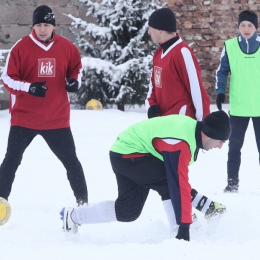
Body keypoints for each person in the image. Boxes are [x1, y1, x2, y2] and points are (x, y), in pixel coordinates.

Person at [60, 110, 231, 241]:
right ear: (211, 133)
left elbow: (179, 182)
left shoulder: (191, 132)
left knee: (128, 211)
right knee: (169, 184)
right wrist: (184, 227)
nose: (220, 146)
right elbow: (177, 184)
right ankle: (183, 232)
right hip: (129, 154)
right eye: (221, 141)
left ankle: (73, 216)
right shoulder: (180, 143)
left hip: (129, 153)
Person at [0, 5, 88, 205]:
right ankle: (0, 202)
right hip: (24, 118)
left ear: (53, 26)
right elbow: (7, 79)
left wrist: (75, 81)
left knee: (71, 162)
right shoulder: (21, 47)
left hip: (56, 119)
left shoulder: (67, 47)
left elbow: (77, 68)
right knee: (11, 161)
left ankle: (83, 204)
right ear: (33, 26)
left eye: (46, 25)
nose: (42, 29)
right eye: (38, 24)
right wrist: (28, 87)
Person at [146, 8, 219, 219]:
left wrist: (201, 125)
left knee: (169, 176)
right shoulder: (158, 53)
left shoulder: (182, 52)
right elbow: (153, 85)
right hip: (162, 126)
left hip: (181, 128)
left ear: (160, 29)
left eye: (151, 28)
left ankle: (186, 219)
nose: (149, 32)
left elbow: (197, 90)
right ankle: (205, 209)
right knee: (167, 176)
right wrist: (151, 105)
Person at [215, 10, 260, 193]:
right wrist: (220, 92)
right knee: (234, 148)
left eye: (250, 25)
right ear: (238, 27)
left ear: (255, 27)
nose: (246, 29)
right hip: (239, 107)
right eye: (243, 25)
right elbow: (222, 71)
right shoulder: (230, 46)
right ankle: (232, 184)